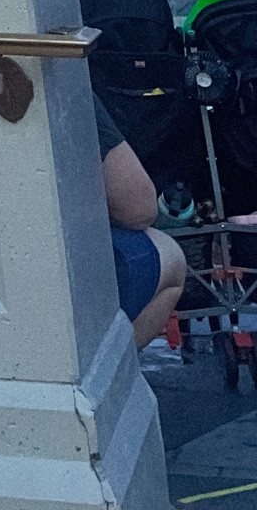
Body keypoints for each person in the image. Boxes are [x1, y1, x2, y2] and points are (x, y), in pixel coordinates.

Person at [94, 94, 186, 348]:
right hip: (60, 274)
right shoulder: (61, 82)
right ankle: (111, 371)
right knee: (170, 255)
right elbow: (138, 210)